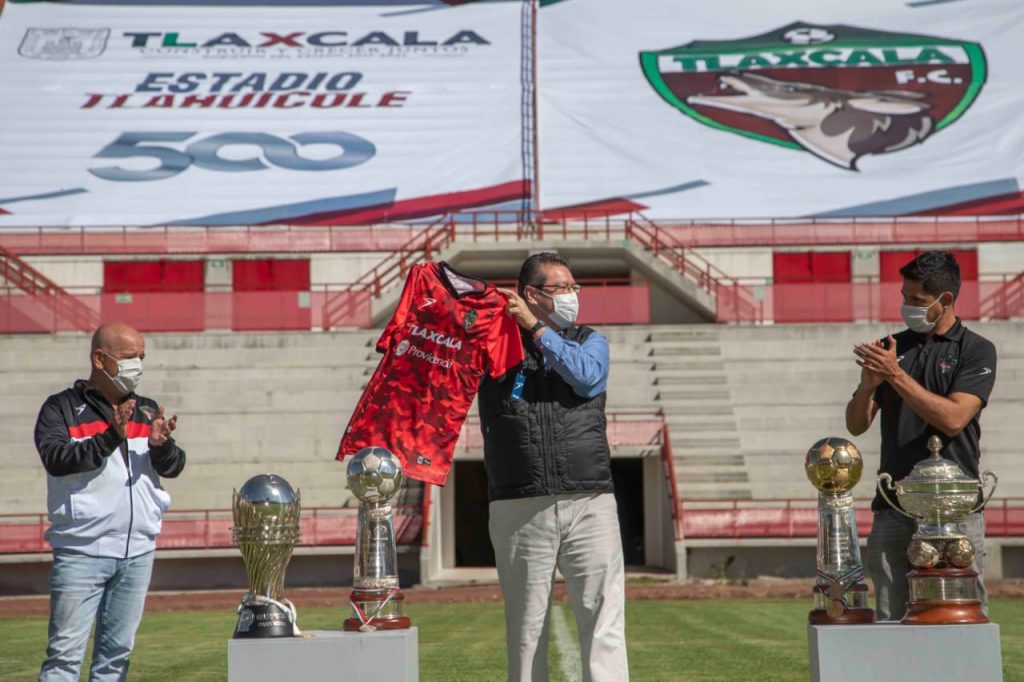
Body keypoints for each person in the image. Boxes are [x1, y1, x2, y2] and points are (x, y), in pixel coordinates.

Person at [480, 252, 628, 682]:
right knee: (526, 631)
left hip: (590, 500)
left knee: (604, 623)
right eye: (561, 288)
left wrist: (536, 328)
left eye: (573, 287)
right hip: (518, 503)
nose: (572, 295)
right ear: (531, 294)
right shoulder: (494, 347)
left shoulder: (589, 340)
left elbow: (586, 377)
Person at [846, 251, 996, 621]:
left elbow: (954, 419)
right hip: (894, 506)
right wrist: (867, 387)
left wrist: (895, 376)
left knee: (963, 612)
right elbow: (856, 424)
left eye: (917, 300)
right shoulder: (892, 348)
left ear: (945, 300)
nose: (907, 306)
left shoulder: (975, 350)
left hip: (955, 508)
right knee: (889, 614)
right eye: (904, 297)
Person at [34, 322, 186, 681]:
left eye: (142, 357)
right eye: (129, 357)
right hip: (81, 552)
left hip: (138, 552)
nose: (138, 365)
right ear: (99, 360)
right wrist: (110, 437)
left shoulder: (146, 410)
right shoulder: (61, 409)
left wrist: (162, 446)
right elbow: (57, 459)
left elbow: (174, 467)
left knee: (116, 658)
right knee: (64, 658)